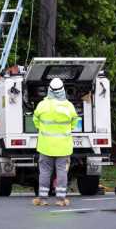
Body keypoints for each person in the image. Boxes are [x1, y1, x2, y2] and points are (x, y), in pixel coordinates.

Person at [32, 77, 79, 207]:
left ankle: (42, 199)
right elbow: (74, 122)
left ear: (49, 90)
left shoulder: (42, 105)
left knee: (45, 172)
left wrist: (43, 129)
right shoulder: (68, 106)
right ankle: (60, 199)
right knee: (62, 172)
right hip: (63, 147)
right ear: (63, 90)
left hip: (45, 146)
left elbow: (35, 120)